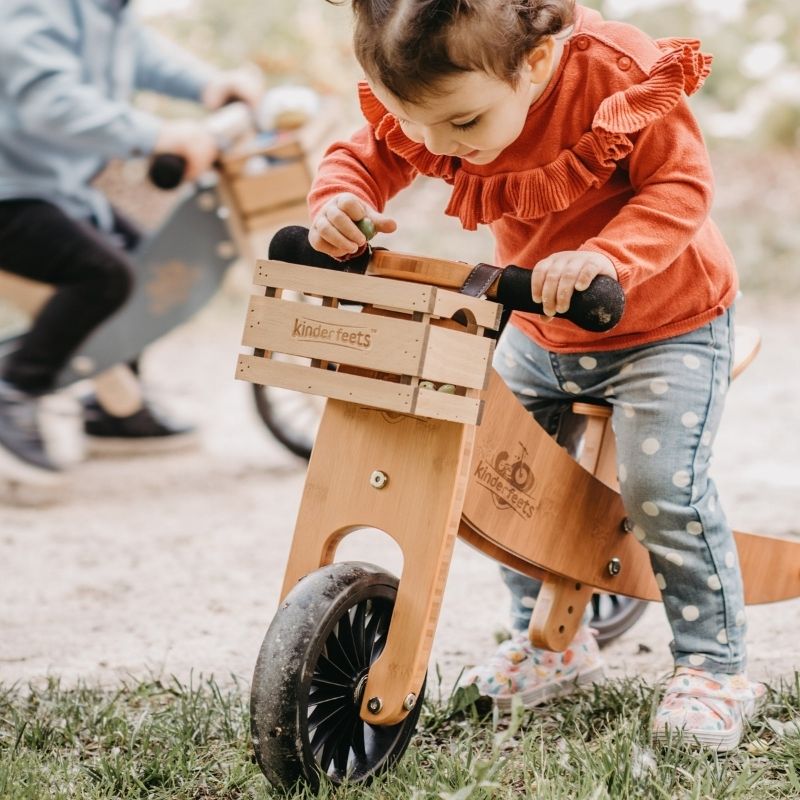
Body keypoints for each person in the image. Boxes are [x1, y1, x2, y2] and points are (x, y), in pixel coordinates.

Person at [305, 0, 765, 751]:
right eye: (414, 123)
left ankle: (714, 667)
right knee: (499, 478)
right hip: (540, 327)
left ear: (537, 65)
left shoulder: (615, 74)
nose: (436, 147)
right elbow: (368, 154)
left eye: (461, 126)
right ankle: (549, 644)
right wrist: (340, 200)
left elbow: (680, 187)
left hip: (667, 325)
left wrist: (606, 256)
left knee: (662, 493)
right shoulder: (446, 98)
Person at [0, 0, 262, 487]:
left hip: (58, 189)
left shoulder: (105, 9)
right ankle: (15, 389)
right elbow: (49, 101)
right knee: (105, 274)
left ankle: (111, 411)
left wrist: (209, 84)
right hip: (10, 194)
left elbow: (140, 53)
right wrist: (155, 133)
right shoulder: (31, 8)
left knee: (146, 265)